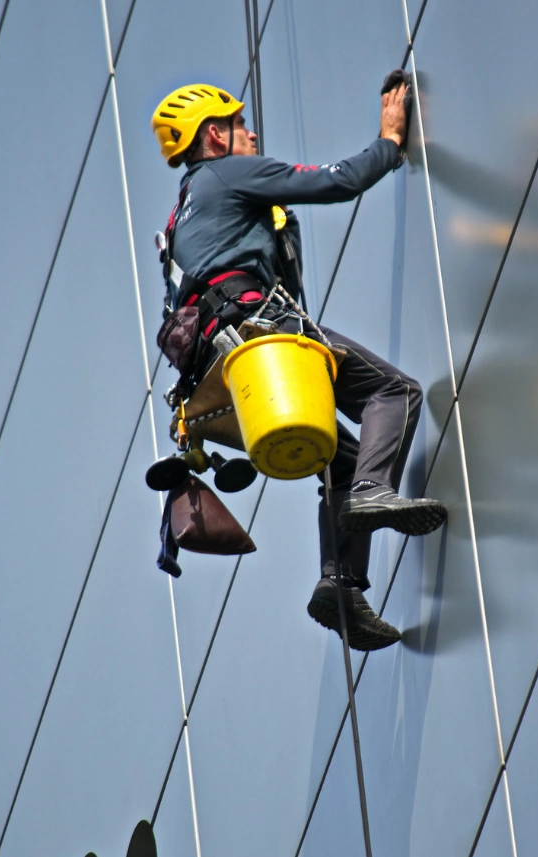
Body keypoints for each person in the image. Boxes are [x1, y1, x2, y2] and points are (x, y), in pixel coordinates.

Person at [151, 78, 446, 651]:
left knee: (344, 457)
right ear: (215, 134)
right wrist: (389, 142)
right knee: (396, 393)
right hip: (259, 335)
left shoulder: (180, 215)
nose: (252, 132)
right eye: (240, 124)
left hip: (218, 374)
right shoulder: (226, 174)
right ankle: (373, 493)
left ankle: (340, 587)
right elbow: (337, 182)